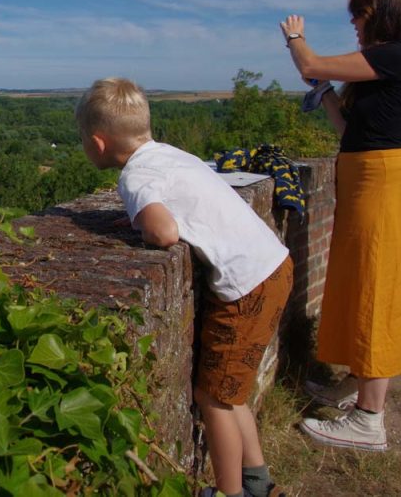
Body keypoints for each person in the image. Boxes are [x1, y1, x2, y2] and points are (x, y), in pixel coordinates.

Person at [76, 78, 291, 497]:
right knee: (232, 390)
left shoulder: (135, 178)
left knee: (213, 398)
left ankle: (230, 493)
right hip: (273, 264)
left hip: (247, 286)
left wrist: (145, 219)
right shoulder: (170, 155)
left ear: (98, 144)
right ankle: (257, 481)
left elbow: (165, 232)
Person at [279, 0, 401, 452]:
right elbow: (351, 130)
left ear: (384, 12)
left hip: (380, 185)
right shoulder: (385, 64)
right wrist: (324, 94)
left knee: (376, 288)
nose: (354, 23)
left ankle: (369, 421)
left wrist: (295, 38)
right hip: (365, 178)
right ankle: (361, 384)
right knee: (359, 282)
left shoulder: (398, 55)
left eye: (360, 14)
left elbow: (310, 60)